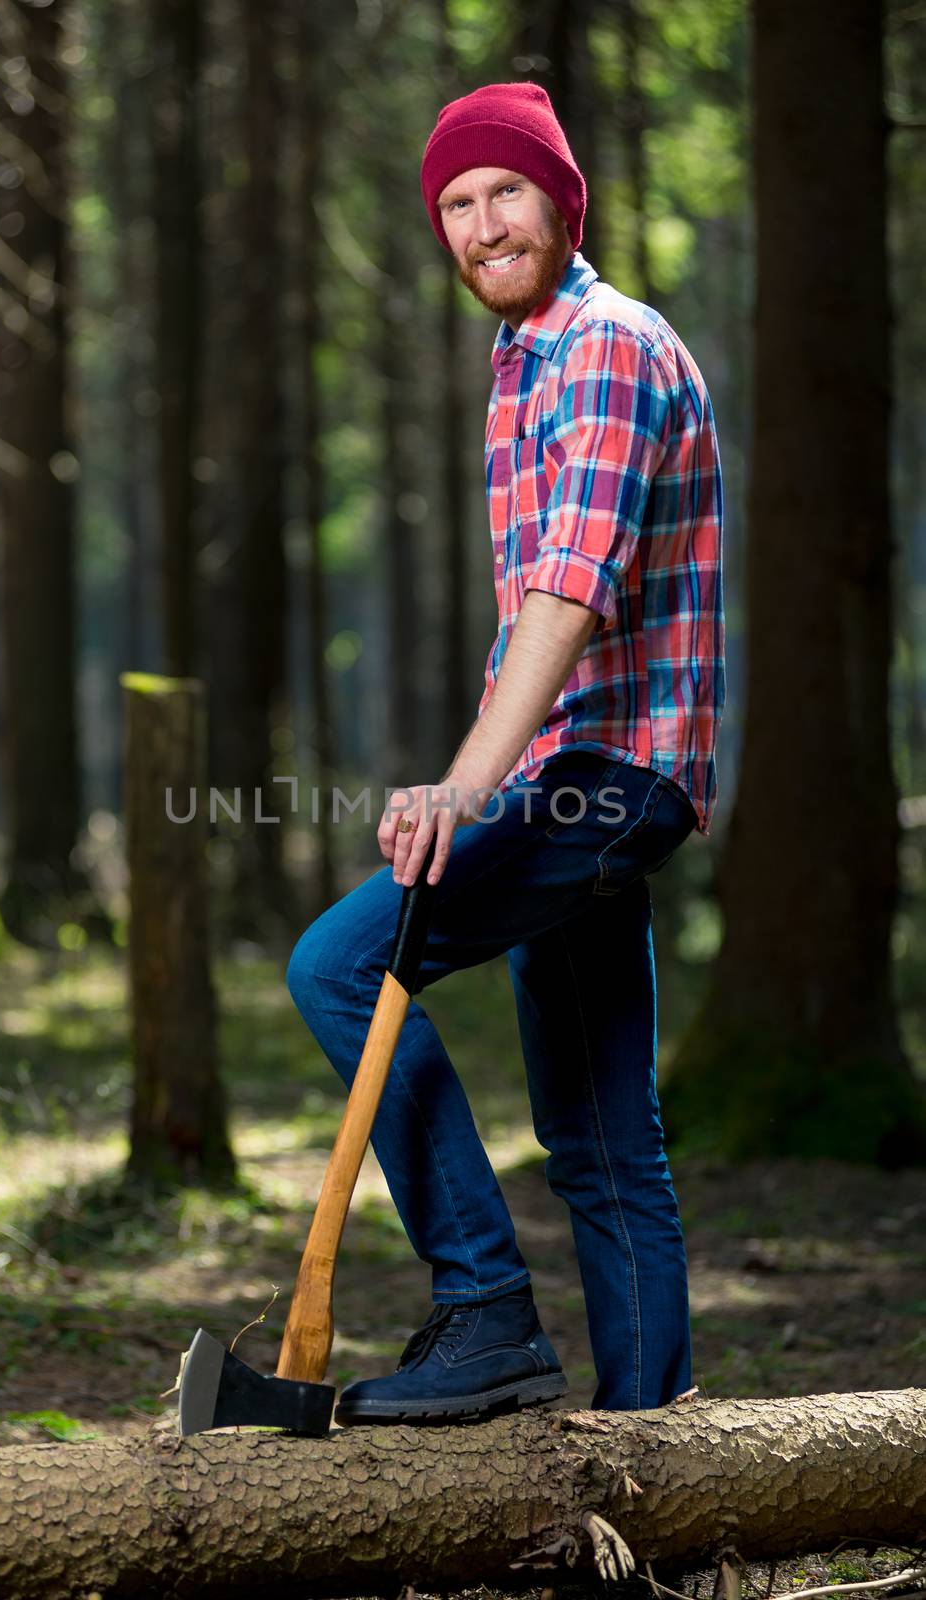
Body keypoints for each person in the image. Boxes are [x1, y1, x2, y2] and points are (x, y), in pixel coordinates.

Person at [286, 82, 724, 1425]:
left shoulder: (601, 343)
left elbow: (569, 593)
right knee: (603, 1149)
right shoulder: (525, 362)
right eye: (456, 207)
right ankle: (651, 1475)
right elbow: (539, 618)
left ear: (561, 199)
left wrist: (463, 790)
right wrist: (491, 773)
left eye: (505, 194)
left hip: (603, 777)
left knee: (342, 963)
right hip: (580, 780)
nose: (481, 225)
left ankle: (483, 1308)